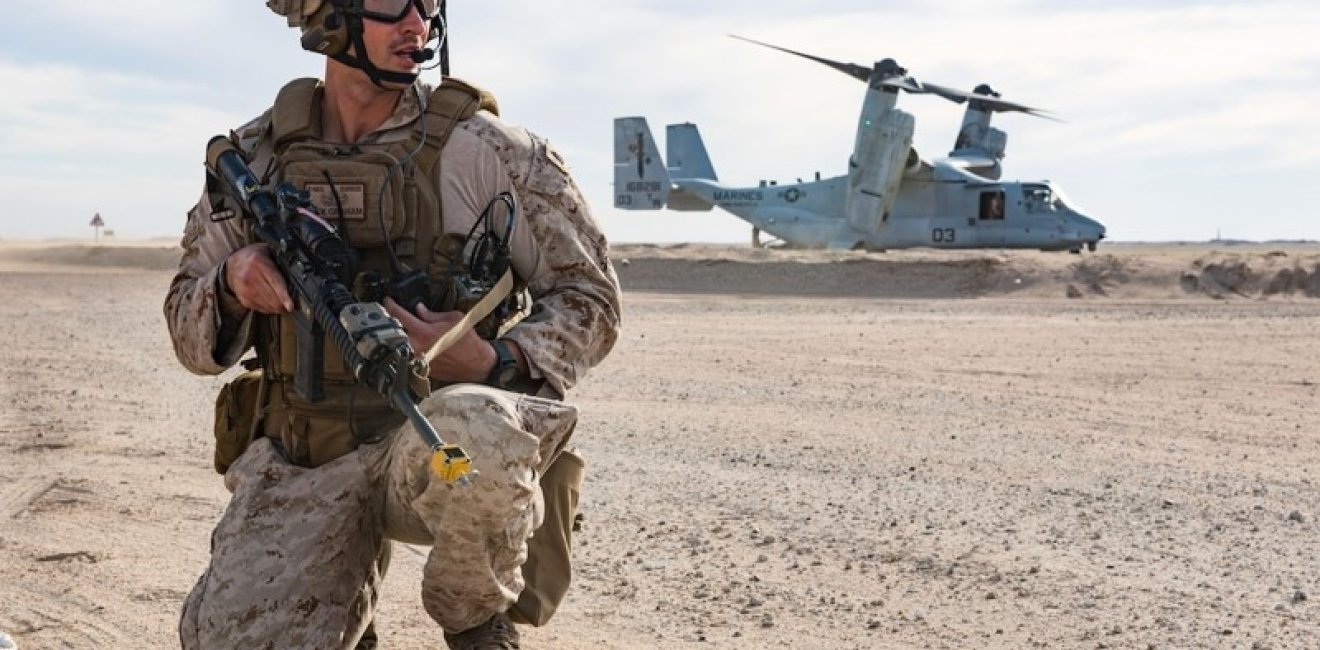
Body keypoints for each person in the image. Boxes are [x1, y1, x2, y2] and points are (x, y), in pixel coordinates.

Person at [162, 0, 621, 648]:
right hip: (306, 455)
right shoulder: (255, 163)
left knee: (485, 436)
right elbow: (188, 334)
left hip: (436, 448)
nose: (418, 24)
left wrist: (491, 362)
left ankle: (476, 625)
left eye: (429, 7)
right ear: (327, 15)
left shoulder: (485, 150)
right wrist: (231, 284)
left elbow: (591, 298)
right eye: (392, 4)